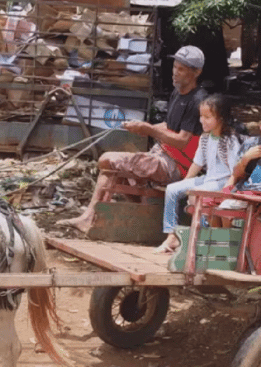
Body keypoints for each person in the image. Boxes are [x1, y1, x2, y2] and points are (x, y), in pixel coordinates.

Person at [57, 46, 207, 233]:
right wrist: (141, 126)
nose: (175, 73)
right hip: (161, 153)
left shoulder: (198, 101)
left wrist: (149, 129)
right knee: (115, 167)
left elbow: (182, 140)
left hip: (177, 164)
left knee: (108, 159)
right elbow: (168, 126)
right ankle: (114, 218)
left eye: (182, 69)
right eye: (175, 67)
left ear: (197, 72)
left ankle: (91, 218)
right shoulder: (177, 92)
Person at [155, 93, 241, 253]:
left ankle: (201, 238)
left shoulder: (230, 140)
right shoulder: (205, 138)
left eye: (208, 117)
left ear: (221, 118)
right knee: (172, 190)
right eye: (201, 116)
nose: (202, 120)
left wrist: (226, 192)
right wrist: (184, 184)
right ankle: (171, 235)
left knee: (196, 196)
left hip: (222, 181)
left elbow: (235, 171)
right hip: (208, 179)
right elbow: (197, 163)